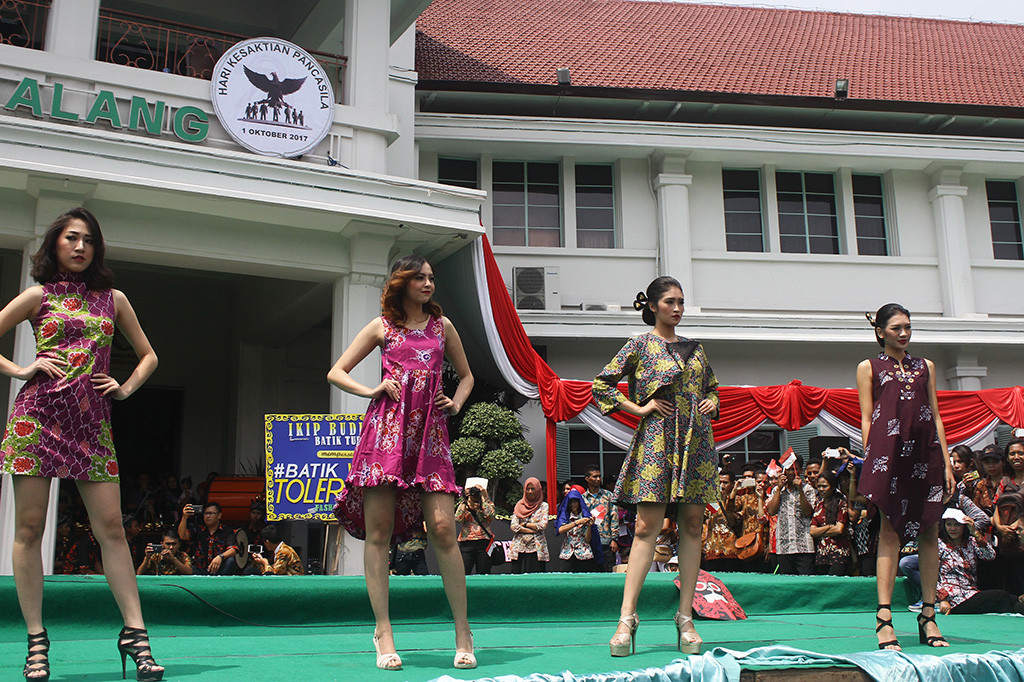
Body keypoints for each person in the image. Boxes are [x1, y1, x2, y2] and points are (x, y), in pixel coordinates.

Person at [0, 208, 162, 682]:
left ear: (97, 249)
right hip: (36, 420)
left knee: (111, 528)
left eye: (88, 240)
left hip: (92, 425)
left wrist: (126, 387)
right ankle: (35, 640)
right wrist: (20, 369)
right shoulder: (37, 296)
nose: (79, 247)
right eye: (71, 238)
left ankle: (135, 633)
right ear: (55, 245)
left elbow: (149, 355)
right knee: (29, 529)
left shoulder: (113, 299)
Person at [329, 255, 475, 671]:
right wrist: (371, 389)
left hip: (430, 436)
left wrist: (457, 402)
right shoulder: (382, 327)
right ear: (402, 282)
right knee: (379, 532)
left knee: (445, 530)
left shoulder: (442, 327)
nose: (429, 284)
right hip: (386, 435)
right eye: (420, 277)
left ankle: (463, 630)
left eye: (431, 277)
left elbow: (465, 376)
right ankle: (383, 631)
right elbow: (336, 372)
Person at [592, 276, 719, 657]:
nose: (677, 308)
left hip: (695, 443)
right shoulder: (640, 345)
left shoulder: (696, 350)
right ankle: (627, 619)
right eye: (670, 302)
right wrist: (638, 408)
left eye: (681, 301)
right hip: (656, 441)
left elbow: (711, 386)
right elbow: (602, 385)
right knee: (647, 527)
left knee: (693, 526)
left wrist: (712, 400)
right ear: (652, 305)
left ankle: (685, 618)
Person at [858, 303, 954, 650]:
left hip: (925, 453)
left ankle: (928, 616)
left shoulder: (925, 365)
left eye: (908, 327)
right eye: (896, 327)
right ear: (880, 331)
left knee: (930, 530)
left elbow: (938, 416)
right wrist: (873, 462)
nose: (903, 333)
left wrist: (945, 460)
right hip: (889, 455)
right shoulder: (868, 367)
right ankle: (884, 619)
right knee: (889, 532)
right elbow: (868, 418)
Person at [937, 508, 1024, 615]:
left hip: (971, 593)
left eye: (957, 525)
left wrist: (975, 532)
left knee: (1009, 599)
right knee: (1000, 596)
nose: (952, 528)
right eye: (949, 525)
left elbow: (990, 555)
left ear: (964, 526)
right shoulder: (939, 545)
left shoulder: (971, 542)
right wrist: (943, 600)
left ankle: (1020, 602)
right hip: (953, 600)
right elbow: (931, 576)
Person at [766, 460, 816, 575]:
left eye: (794, 469)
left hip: (804, 546)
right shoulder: (777, 490)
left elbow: (808, 512)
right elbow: (771, 511)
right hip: (784, 547)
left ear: (801, 471)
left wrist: (800, 490)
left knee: (806, 581)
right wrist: (779, 488)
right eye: (788, 469)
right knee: (787, 582)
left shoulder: (808, 489)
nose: (791, 472)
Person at [810, 470, 852, 575]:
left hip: (839, 554)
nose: (821, 489)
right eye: (819, 486)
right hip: (822, 554)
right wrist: (829, 527)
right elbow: (812, 532)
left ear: (833, 487)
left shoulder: (841, 503)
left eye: (824, 486)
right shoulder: (819, 505)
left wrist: (821, 531)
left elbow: (839, 529)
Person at [177, 502, 238, 575]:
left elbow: (233, 549)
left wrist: (220, 557)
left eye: (211, 513)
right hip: (199, 569)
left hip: (219, 570)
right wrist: (184, 517)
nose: (208, 516)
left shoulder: (227, 531)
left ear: (219, 515)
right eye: (206, 514)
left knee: (230, 561)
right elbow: (182, 535)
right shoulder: (198, 529)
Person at [582, 465, 620, 571]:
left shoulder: (608, 496)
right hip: (588, 543)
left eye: (599, 476)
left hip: (606, 541)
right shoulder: (582, 498)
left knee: (607, 573)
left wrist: (614, 539)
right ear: (587, 479)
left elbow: (614, 517)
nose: (598, 479)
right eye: (594, 477)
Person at [509, 477, 549, 573]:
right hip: (519, 547)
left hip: (536, 547)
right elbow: (514, 526)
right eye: (528, 489)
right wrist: (534, 530)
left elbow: (543, 525)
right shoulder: (519, 505)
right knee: (517, 578)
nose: (530, 492)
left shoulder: (543, 506)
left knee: (536, 579)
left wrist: (525, 524)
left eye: (533, 489)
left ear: (538, 490)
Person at [556, 488, 600, 572]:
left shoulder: (585, 516)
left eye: (575, 501)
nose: (573, 504)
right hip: (567, 553)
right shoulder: (566, 516)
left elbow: (587, 540)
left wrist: (589, 526)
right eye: (571, 502)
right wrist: (577, 522)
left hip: (583, 553)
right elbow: (560, 530)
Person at [455, 483, 495, 575]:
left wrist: (484, 498)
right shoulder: (464, 505)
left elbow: (490, 515)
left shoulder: (488, 504)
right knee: (464, 573)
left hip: (484, 542)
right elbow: (457, 518)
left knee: (483, 573)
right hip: (467, 542)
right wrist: (466, 502)